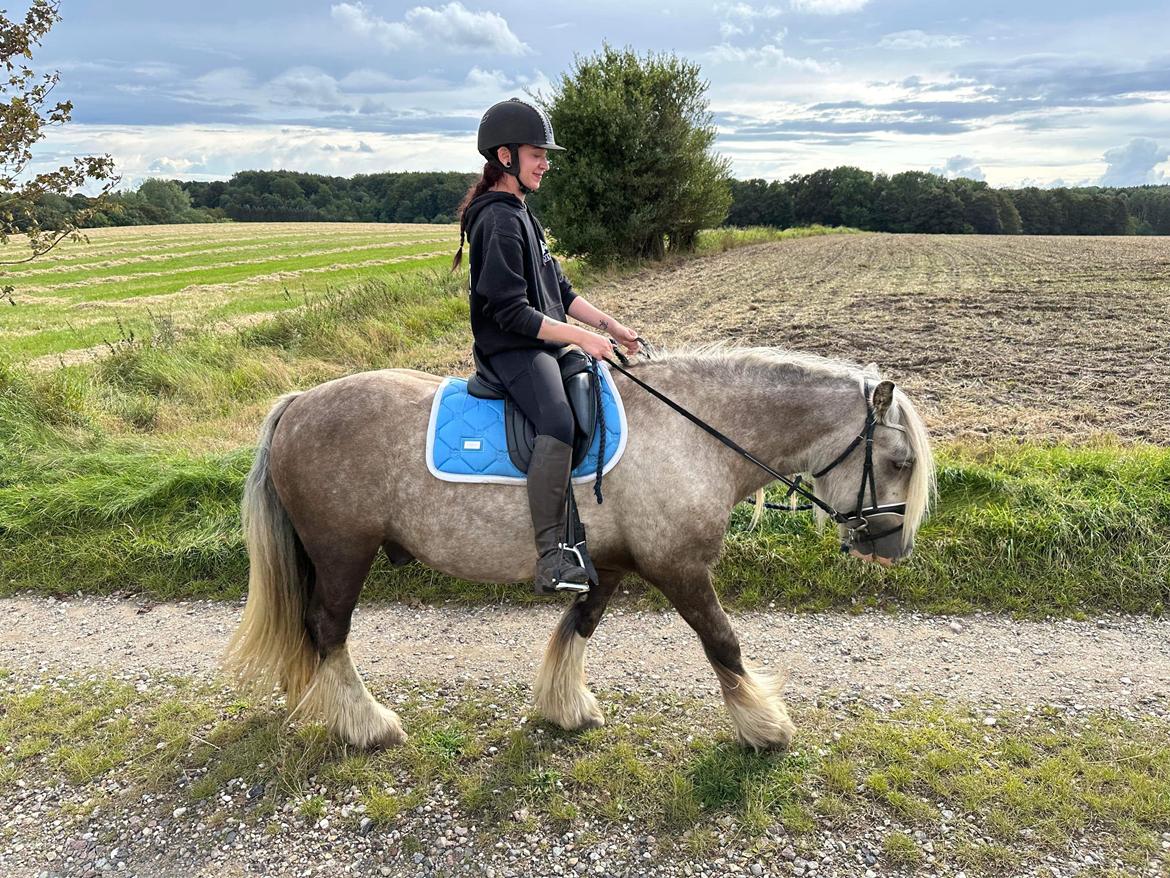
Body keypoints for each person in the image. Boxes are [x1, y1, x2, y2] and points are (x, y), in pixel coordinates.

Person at [451, 97, 640, 594]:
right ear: (507, 157)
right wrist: (582, 338)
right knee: (556, 419)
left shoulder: (522, 215)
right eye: (538, 153)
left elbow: (560, 292)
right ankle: (552, 554)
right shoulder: (497, 220)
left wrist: (611, 327)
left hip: (542, 341)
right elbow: (510, 312)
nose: (546, 163)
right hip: (512, 349)